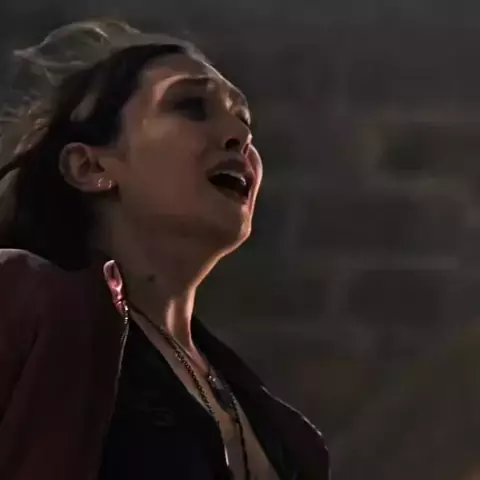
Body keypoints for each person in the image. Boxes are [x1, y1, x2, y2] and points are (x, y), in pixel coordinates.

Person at [0, 19, 329, 480]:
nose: (239, 137)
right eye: (191, 106)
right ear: (90, 166)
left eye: (245, 122)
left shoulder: (287, 436)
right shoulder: (21, 302)